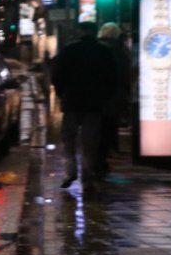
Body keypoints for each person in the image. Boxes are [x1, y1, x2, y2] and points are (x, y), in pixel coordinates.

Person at [51, 20, 117, 192]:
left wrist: (61, 93)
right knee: (90, 142)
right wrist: (105, 97)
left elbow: (57, 76)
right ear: (95, 32)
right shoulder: (103, 51)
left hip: (72, 102)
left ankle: (70, 172)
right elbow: (112, 78)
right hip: (94, 104)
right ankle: (87, 177)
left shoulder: (69, 50)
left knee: (69, 140)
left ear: (80, 32)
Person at [96, 22, 132, 176]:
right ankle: (107, 152)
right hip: (115, 93)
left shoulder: (96, 47)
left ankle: (99, 158)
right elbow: (125, 73)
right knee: (110, 124)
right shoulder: (120, 50)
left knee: (99, 126)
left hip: (97, 95)